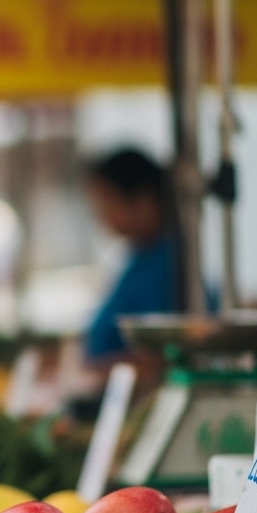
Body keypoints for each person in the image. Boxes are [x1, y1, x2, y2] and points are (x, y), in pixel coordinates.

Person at [83, 148, 181, 365]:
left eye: (108, 201)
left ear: (144, 201)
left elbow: (161, 357)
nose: (102, 215)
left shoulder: (168, 268)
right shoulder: (140, 261)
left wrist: (91, 376)